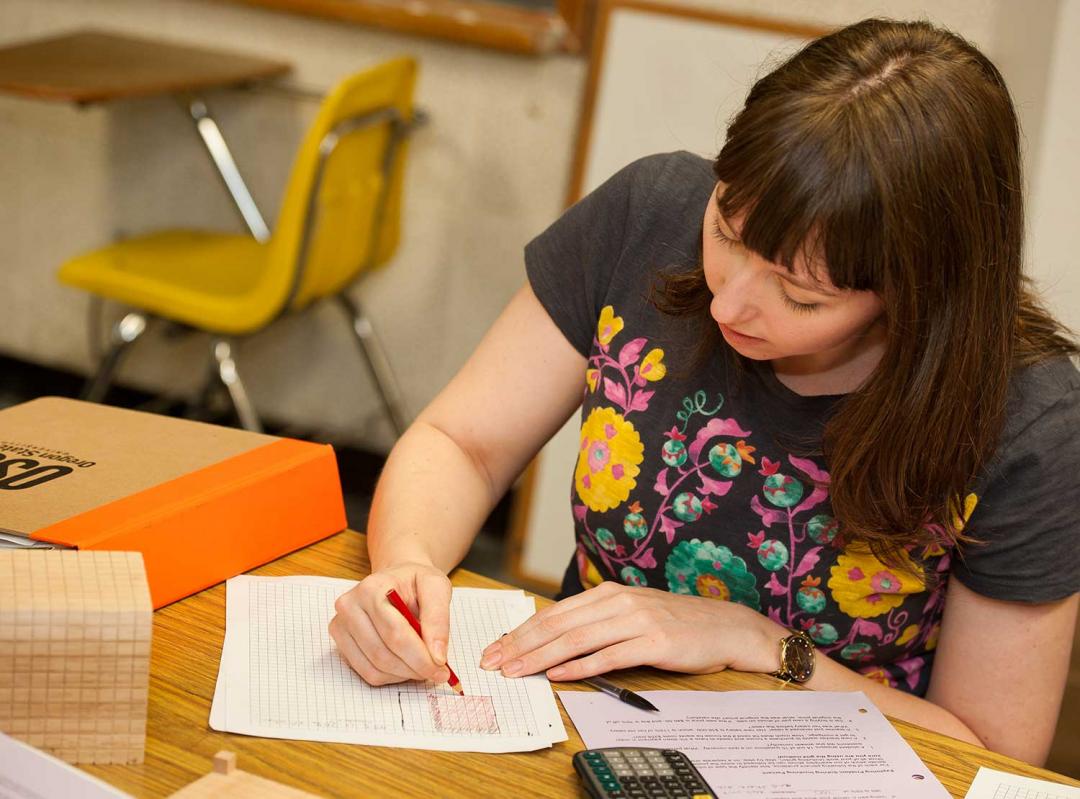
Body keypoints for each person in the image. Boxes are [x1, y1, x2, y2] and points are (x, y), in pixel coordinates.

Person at [329, 18, 1079, 765]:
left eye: (801, 294)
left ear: (919, 294)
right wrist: (407, 563)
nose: (726, 306)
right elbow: (463, 444)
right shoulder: (648, 214)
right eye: (725, 229)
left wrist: (755, 641)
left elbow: (992, 754)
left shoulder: (1028, 420)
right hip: (570, 729)